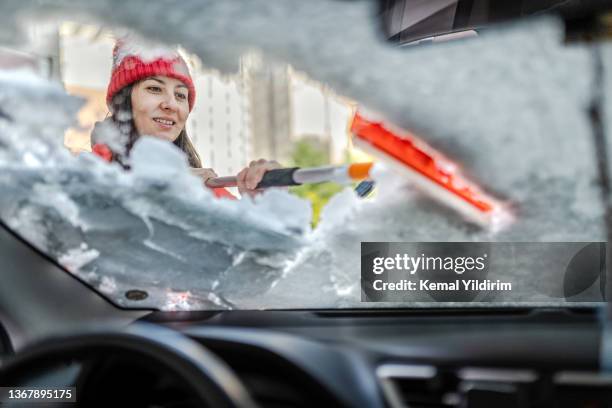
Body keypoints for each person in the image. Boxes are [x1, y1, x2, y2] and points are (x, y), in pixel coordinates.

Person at [91, 38, 279, 199]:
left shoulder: (204, 190)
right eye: (154, 89)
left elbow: (265, 241)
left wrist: (263, 206)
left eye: (181, 95)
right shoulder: (86, 176)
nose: (171, 105)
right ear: (122, 101)